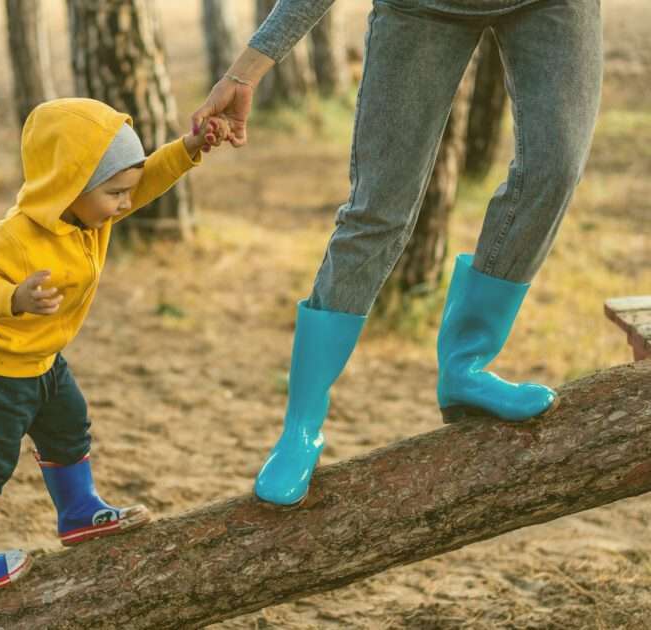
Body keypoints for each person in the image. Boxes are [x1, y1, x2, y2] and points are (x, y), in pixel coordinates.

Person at [192, 0, 603, 507]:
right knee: (378, 212)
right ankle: (301, 429)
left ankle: (466, 368)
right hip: (421, 9)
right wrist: (247, 71)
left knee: (554, 171)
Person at [0, 97, 229, 593]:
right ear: (70, 186)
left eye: (125, 192)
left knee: (69, 427)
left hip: (43, 359)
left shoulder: (93, 214)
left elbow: (146, 179)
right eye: (115, 193)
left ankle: (79, 512)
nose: (125, 203)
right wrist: (14, 297)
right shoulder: (17, 236)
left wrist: (190, 147)